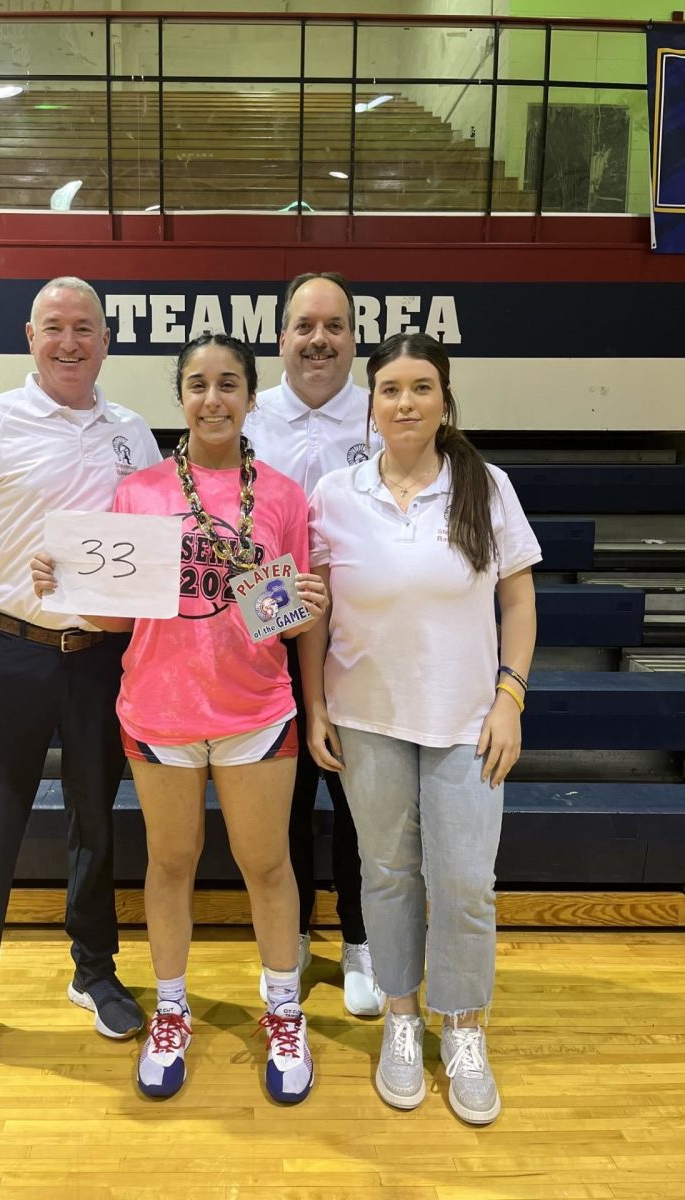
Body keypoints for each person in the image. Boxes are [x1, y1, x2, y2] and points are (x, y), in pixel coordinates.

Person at [32, 333, 328, 1104]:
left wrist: (308, 606)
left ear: (251, 397)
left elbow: (290, 618)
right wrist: (62, 580)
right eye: (197, 384)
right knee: (170, 865)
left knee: (267, 867)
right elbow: (120, 618)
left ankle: (283, 1011)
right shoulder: (143, 493)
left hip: (255, 710)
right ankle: (171, 1011)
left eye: (229, 384)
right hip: (160, 712)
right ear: (181, 398)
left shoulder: (286, 496)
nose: (213, 398)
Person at [300, 332, 540, 1124]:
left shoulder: (486, 485)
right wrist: (316, 704)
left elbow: (517, 598)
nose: (405, 402)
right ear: (369, 403)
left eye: (421, 387)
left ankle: (463, 1026)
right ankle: (402, 1019)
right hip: (367, 718)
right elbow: (313, 609)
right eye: (391, 388)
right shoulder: (336, 494)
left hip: (468, 721)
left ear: (445, 400)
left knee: (466, 885)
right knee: (388, 876)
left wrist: (511, 695)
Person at [0, 276, 162, 1085]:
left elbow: (151, 556)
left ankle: (93, 971)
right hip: (12, 651)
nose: (71, 342)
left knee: (97, 823)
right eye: (55, 327)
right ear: (29, 335)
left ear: (107, 340)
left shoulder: (134, 434)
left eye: (86, 328)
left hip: (100, 662)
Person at [244, 271, 384, 1016]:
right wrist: (280, 613)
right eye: (305, 326)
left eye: (334, 326)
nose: (319, 339)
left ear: (354, 338)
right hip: (270, 655)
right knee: (284, 805)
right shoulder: (248, 419)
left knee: (361, 806)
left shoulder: (382, 416)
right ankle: (291, 934)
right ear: (282, 338)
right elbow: (231, 542)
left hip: (362, 653)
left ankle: (359, 940)